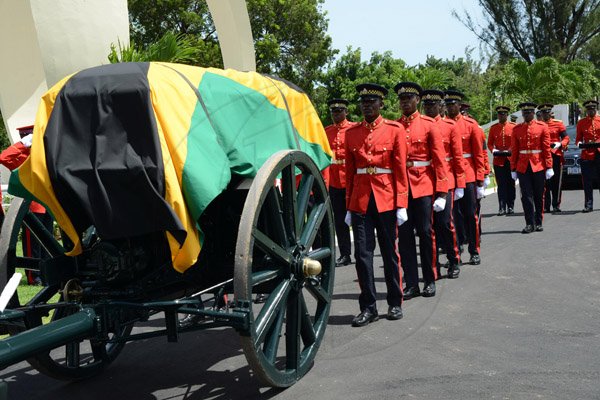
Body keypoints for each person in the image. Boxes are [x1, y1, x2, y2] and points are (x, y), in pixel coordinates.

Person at [345, 83, 408, 326]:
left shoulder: (394, 130)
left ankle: (394, 302)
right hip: (361, 201)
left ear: (381, 104)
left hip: (386, 199)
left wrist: (401, 203)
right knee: (362, 255)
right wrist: (350, 206)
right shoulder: (352, 133)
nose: (367, 106)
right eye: (363, 102)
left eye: (372, 102)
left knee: (390, 253)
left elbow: (400, 170)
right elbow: (350, 173)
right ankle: (368, 307)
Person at [394, 82, 447, 298]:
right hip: (402, 188)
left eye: (409, 98)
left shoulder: (428, 124)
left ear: (417, 100)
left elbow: (440, 160)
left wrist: (442, 192)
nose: (405, 102)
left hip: (424, 185)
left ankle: (430, 278)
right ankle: (412, 283)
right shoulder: (395, 126)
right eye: (402, 99)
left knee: (425, 233)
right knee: (405, 237)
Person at [0, 125, 54, 285]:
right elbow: (4, 157)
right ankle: (33, 276)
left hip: (47, 203)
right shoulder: (22, 154)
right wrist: (22, 145)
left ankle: (48, 274)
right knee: (33, 245)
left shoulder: (43, 152)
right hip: (31, 205)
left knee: (48, 243)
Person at [422, 89, 465, 279]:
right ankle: (433, 266)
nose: (430, 108)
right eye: (427, 105)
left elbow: (457, 157)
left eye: (433, 104)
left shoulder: (449, 126)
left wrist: (461, 184)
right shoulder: (420, 125)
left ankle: (454, 259)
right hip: (423, 181)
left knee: (445, 223)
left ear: (440, 106)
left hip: (445, 180)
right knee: (427, 227)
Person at [445, 90, 485, 265]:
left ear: (459, 105)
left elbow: (478, 153)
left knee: (470, 215)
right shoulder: (442, 125)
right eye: (447, 104)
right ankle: (456, 251)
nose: (450, 107)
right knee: (452, 218)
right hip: (450, 176)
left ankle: (474, 250)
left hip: (468, 175)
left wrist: (480, 179)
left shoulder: (471, 125)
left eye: (453, 104)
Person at [510, 102, 553, 233]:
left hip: (538, 164)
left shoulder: (542, 127)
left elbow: (546, 148)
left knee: (539, 194)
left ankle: (538, 222)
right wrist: (513, 168)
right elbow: (515, 150)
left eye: (529, 112)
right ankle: (529, 223)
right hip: (523, 166)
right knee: (526, 196)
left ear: (533, 113)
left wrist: (549, 166)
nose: (527, 114)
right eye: (524, 113)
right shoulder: (516, 129)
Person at [324, 98, 357, 266]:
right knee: (339, 219)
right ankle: (345, 254)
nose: (336, 114)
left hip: (352, 181)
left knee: (357, 218)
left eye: (339, 111)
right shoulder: (326, 131)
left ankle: (360, 251)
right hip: (335, 181)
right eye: (333, 112)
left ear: (346, 112)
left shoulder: (353, 129)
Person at [538, 104, 568, 213]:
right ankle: (546, 205)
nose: (546, 114)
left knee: (556, 181)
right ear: (541, 113)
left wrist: (560, 144)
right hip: (542, 156)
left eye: (548, 112)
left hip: (555, 154)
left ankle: (556, 204)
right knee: (544, 182)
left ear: (550, 113)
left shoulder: (558, 124)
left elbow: (566, 137)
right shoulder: (539, 125)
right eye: (544, 112)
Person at [487, 106, 516, 215]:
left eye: (503, 114)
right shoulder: (494, 128)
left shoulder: (513, 127)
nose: (501, 116)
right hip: (498, 160)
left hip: (510, 159)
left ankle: (510, 206)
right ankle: (502, 206)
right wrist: (493, 150)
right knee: (501, 184)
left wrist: (510, 150)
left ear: (507, 115)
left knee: (510, 184)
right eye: (499, 114)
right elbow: (489, 143)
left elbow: (516, 142)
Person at [576, 99, 600, 213]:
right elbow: (578, 139)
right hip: (587, 154)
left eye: (593, 109)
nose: (591, 111)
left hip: (599, 152)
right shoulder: (581, 123)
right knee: (587, 181)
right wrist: (579, 144)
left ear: (596, 109)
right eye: (589, 109)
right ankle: (588, 204)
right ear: (586, 110)